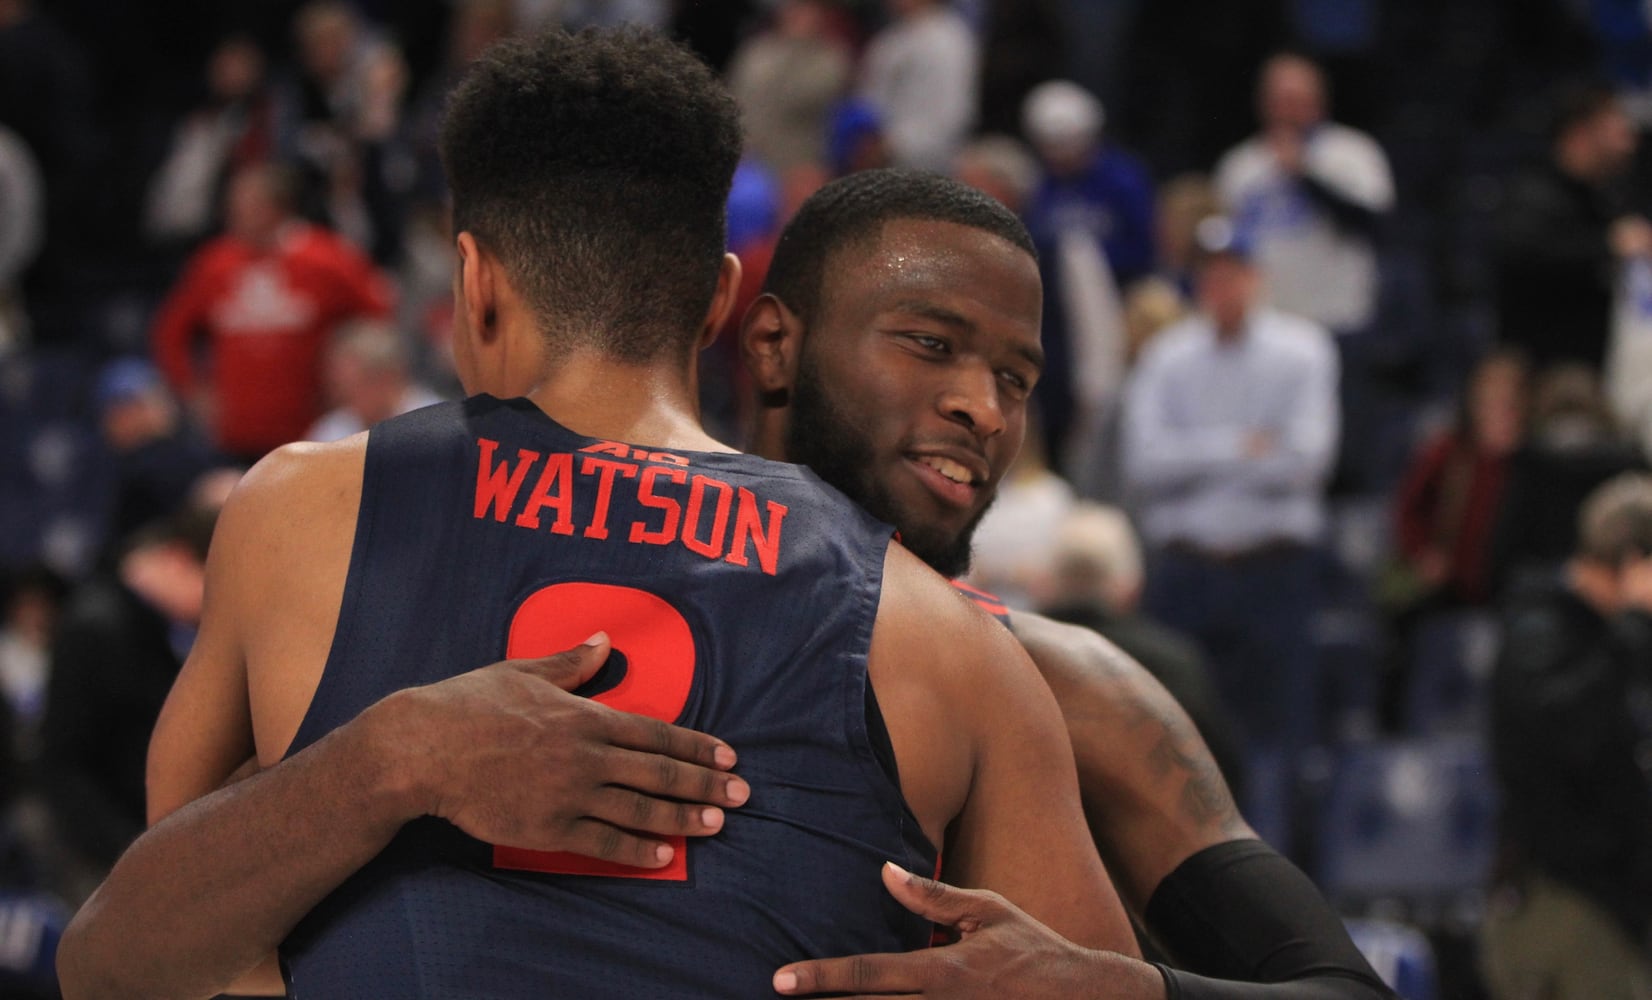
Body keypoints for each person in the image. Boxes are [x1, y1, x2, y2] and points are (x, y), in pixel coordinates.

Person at [58, 28, 1131, 1000]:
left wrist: (383, 762)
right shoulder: (940, 638)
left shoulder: (299, 510)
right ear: (718, 301)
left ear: (472, 283)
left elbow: (123, 961)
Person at [739, 169, 1390, 999]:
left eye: (1016, 379)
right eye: (931, 344)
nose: (987, 409)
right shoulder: (589, 602)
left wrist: (1120, 990)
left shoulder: (1075, 687)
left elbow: (1348, 992)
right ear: (771, 347)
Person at [1121, 216, 1340, 785]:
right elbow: (1146, 465)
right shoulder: (1166, 356)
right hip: (1189, 571)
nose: (1223, 287)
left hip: (1275, 569)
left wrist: (1194, 458)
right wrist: (1245, 446)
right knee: (1176, 740)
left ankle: (1291, 865)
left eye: (1233, 274)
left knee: (1284, 736)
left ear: (1256, 277)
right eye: (1210, 275)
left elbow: (1304, 463)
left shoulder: (1302, 349)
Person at [1482, 472, 1652, 1000]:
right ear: (1633, 562)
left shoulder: (1609, 637)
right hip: (1561, 902)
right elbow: (1566, 734)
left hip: (1618, 900)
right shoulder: (1540, 628)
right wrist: (1633, 626)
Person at [149, 161, 395, 461]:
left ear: (279, 207)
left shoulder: (326, 259)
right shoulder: (214, 263)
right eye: (233, 205)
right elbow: (171, 331)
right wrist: (193, 390)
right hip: (233, 436)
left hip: (309, 434)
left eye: (249, 206)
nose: (235, 215)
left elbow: (380, 316)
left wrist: (346, 379)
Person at [1495, 82, 1648, 374]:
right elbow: (1525, 255)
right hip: (1542, 373)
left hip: (1595, 367)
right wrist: (1606, 245)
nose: (1629, 138)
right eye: (1614, 125)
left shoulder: (1607, 197)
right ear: (1581, 132)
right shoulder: (1533, 191)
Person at [858, 0, 979, 173]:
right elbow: (870, 102)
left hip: (928, 169)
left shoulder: (949, 39)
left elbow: (950, 117)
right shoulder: (887, 40)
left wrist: (892, 146)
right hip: (880, 165)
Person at [303, 318, 444, 442]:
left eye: (354, 387)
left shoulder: (437, 426)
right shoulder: (330, 432)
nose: (343, 398)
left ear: (387, 379)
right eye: (339, 388)